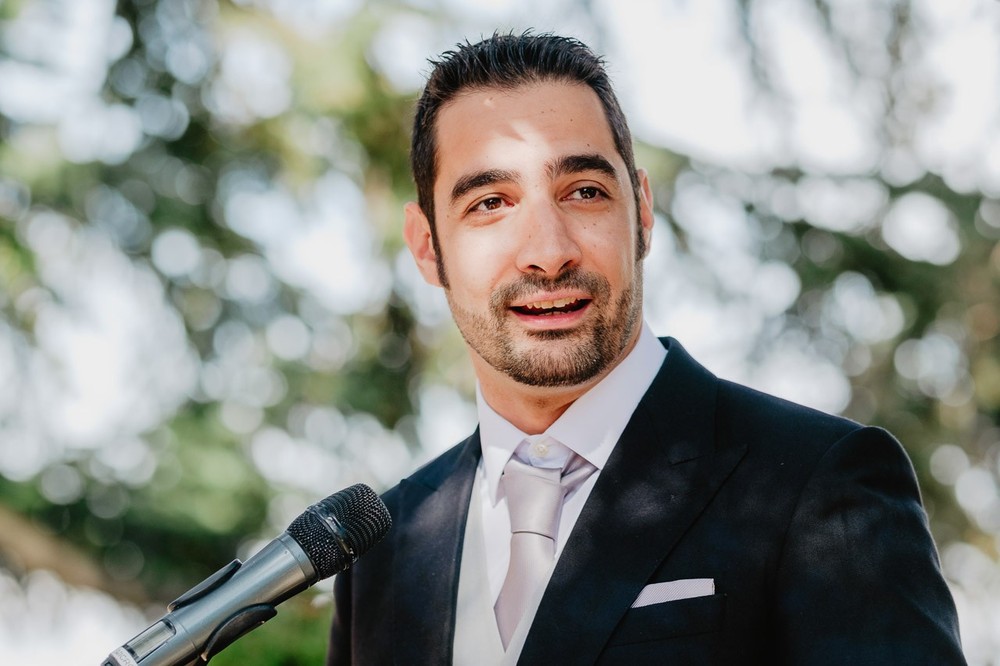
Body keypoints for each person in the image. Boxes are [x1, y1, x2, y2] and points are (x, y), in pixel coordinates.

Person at [327, 32, 965, 665]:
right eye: (491, 203)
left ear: (643, 213)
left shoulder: (820, 483)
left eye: (584, 191)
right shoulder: (382, 551)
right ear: (427, 245)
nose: (549, 253)